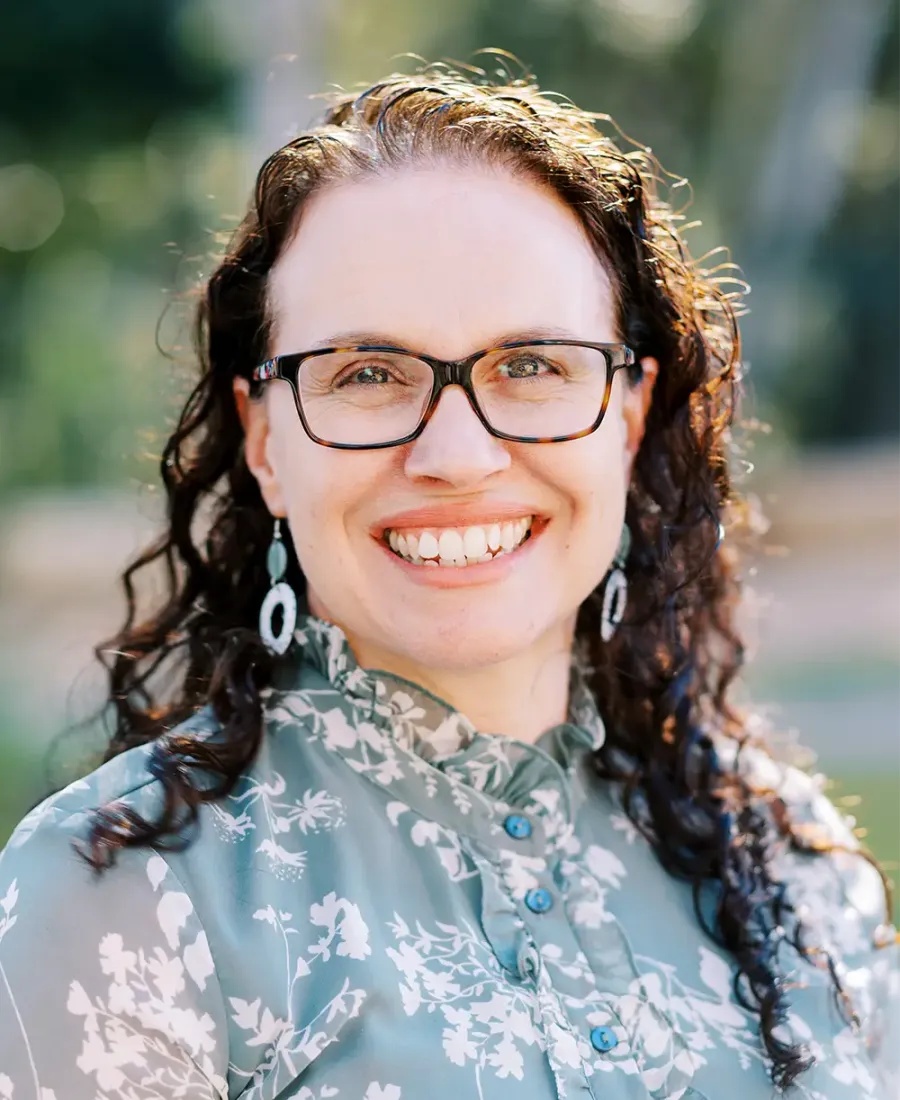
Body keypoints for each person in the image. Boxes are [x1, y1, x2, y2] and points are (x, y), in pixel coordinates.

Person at [0, 60, 896, 1100]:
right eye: (369, 374)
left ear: (630, 414)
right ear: (265, 441)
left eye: (534, 362)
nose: (459, 455)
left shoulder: (794, 869)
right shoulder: (119, 897)